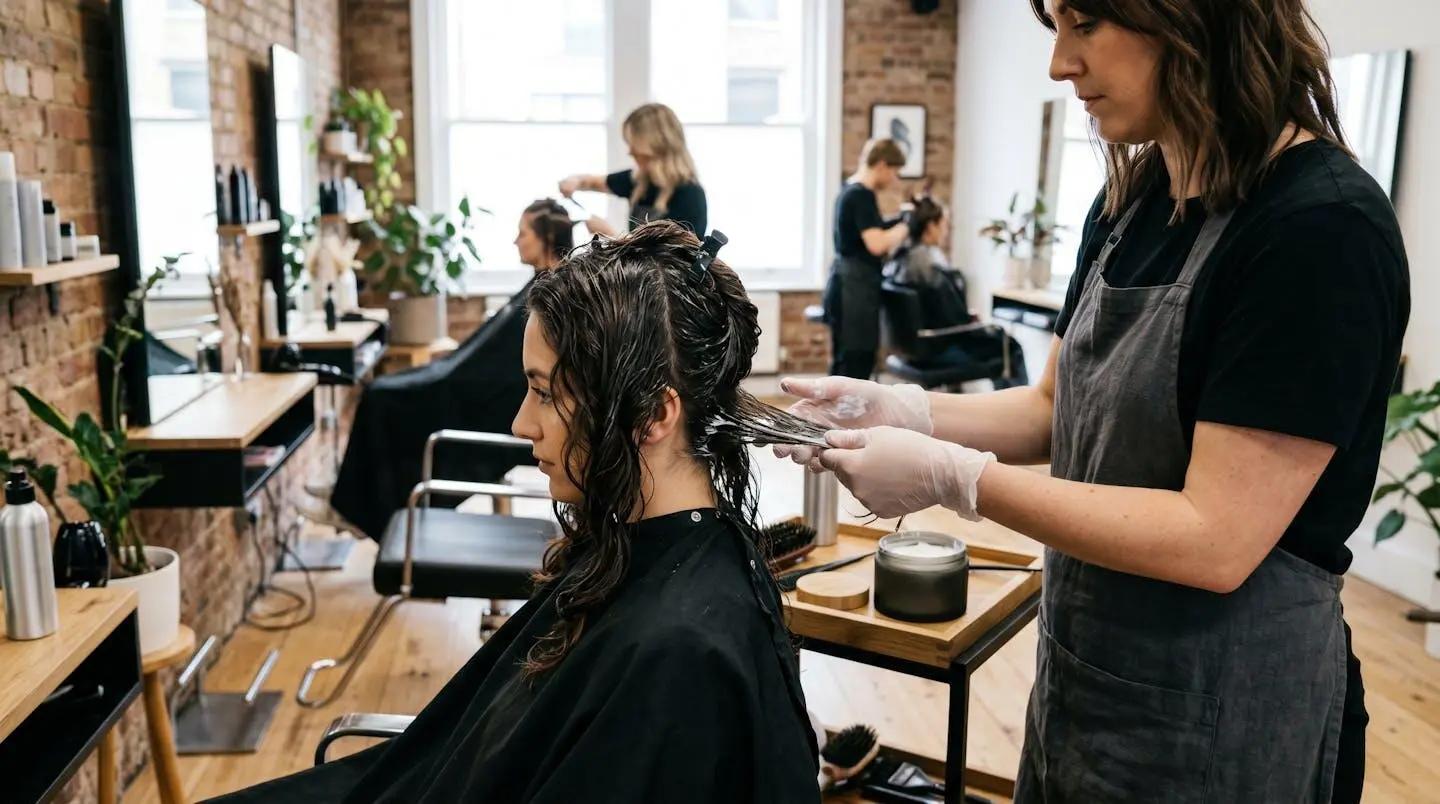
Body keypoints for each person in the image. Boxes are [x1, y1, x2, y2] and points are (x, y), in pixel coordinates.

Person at [777, 1, 1410, 801]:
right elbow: (1053, 408)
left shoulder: (1320, 228)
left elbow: (1215, 539)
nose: (1059, 64)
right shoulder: (1131, 203)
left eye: (1086, 24)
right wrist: (904, 410)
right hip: (1088, 679)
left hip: (1228, 708)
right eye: (1056, 28)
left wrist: (956, 478)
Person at [205, 220, 821, 804]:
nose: (520, 423)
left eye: (545, 393)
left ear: (653, 416)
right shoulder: (644, 559)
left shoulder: (677, 658)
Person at [324, 199, 576, 542]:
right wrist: (450, 363)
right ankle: (354, 500)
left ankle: (360, 507)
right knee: (387, 391)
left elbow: (503, 370)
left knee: (382, 398)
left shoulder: (550, 297)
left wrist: (449, 371)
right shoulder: (542, 286)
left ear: (545, 238)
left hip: (486, 404)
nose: (516, 241)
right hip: (468, 384)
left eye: (523, 233)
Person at [884, 193, 1028, 388]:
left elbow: (934, 311)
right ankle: (1014, 407)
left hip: (910, 350)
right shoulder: (931, 267)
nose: (946, 232)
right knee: (1009, 347)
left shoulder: (898, 262)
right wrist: (972, 323)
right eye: (945, 225)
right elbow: (955, 321)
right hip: (937, 352)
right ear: (931, 226)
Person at [825, 138, 913, 380]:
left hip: (848, 283)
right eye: (894, 171)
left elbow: (872, 229)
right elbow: (876, 244)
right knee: (856, 362)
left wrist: (897, 219)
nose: (895, 179)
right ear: (882, 165)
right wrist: (907, 226)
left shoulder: (849, 189)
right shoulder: (860, 195)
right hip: (854, 289)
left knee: (847, 361)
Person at [557, 102, 707, 237]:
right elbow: (591, 182)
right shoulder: (640, 180)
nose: (630, 152)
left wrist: (611, 235)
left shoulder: (690, 196)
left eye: (633, 144)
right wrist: (574, 182)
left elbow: (674, 259)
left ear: (654, 146)